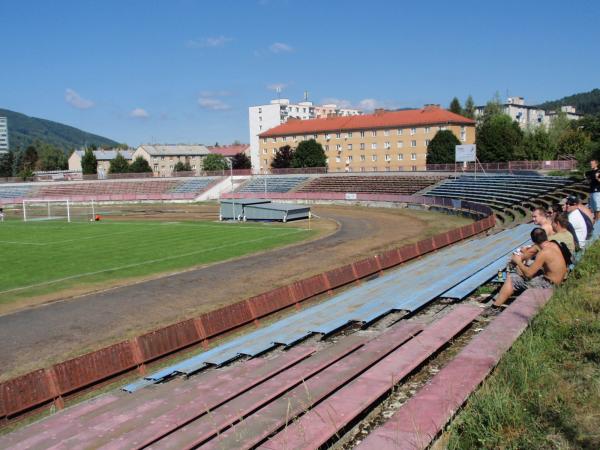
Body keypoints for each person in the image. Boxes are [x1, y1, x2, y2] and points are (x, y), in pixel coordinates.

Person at [493, 228, 567, 307]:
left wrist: (518, 261)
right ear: (545, 236)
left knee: (512, 278)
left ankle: (495, 306)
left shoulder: (543, 253)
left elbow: (529, 274)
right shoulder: (554, 244)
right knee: (526, 270)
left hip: (548, 285)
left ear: (533, 241)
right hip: (558, 280)